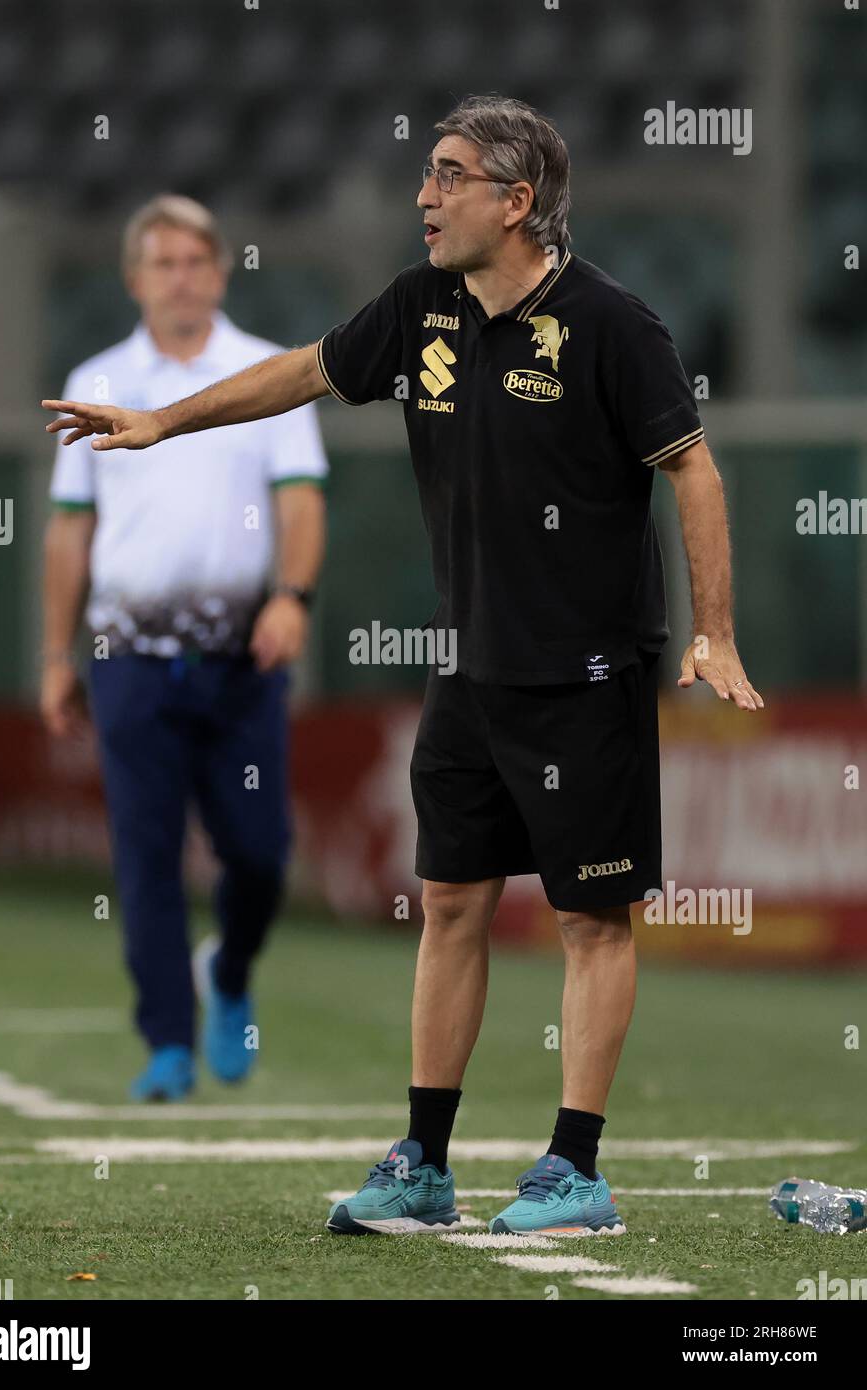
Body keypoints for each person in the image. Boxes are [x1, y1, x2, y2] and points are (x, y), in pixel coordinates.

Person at [42, 97, 761, 1231]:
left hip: (585, 672)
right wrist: (160, 423)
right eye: (426, 174)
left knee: (590, 921)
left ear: (516, 202)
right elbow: (302, 372)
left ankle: (574, 1168)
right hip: (467, 666)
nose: (423, 196)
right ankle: (422, 1163)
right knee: (450, 902)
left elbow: (697, 473)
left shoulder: (613, 325)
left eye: (448, 175)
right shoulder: (421, 307)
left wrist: (713, 629)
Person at [41, 195, 327, 1101]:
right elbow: (67, 531)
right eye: (164, 263)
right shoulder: (99, 378)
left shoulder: (266, 374)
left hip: (241, 660)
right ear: (134, 278)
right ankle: (167, 1042)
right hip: (129, 658)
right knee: (146, 852)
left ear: (221, 270)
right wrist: (55, 655)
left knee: (260, 851)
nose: (182, 278)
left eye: (197, 261)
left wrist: (292, 595)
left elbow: (302, 498)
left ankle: (231, 972)